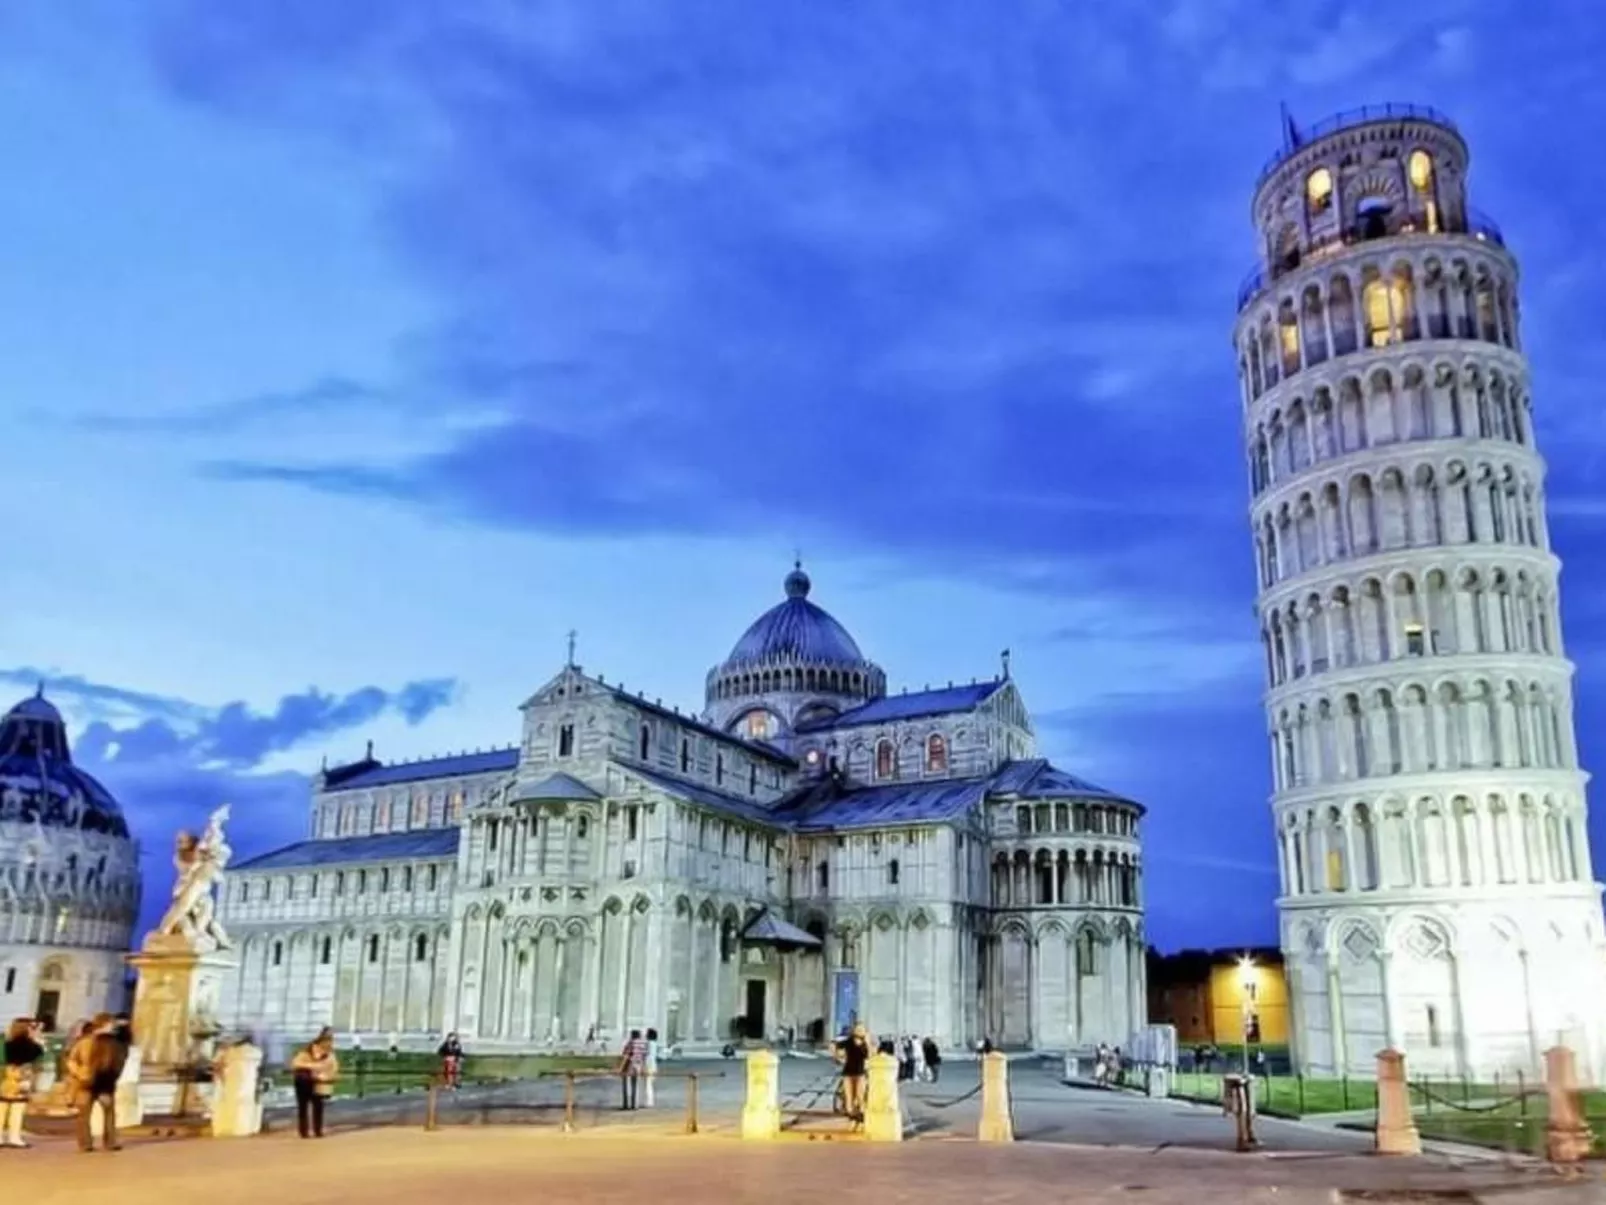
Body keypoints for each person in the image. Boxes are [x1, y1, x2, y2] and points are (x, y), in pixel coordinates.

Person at [65, 1013, 128, 1153]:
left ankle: (85, 1143)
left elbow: (71, 1060)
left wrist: (79, 1073)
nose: (113, 1027)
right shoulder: (114, 1043)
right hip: (103, 1082)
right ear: (106, 1024)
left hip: (87, 1081)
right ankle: (110, 1142)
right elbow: (118, 1063)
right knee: (107, 1113)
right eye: (111, 1024)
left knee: (85, 1114)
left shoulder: (84, 1041)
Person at [1, 1017, 45, 1148]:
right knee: (17, 1109)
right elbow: (39, 1060)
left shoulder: (5, 1044)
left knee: (1, 1107)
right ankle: (14, 1137)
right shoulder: (33, 1046)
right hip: (23, 1077)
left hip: (4, 1077)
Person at [290, 1028, 340, 1139]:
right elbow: (295, 1063)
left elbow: (334, 1067)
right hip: (303, 1081)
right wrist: (315, 1066)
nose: (325, 1048)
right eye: (324, 1045)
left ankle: (318, 1130)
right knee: (303, 1107)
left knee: (318, 1106)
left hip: (319, 1082)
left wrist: (330, 1075)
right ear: (318, 1044)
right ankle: (304, 1131)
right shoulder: (305, 1053)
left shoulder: (329, 1054)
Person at [833, 1022, 871, 1123]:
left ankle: (861, 1115)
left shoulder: (865, 1043)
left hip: (860, 1073)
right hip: (848, 1073)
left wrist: (867, 1042)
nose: (860, 1031)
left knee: (860, 1096)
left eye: (862, 1029)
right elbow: (834, 1045)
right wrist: (837, 1057)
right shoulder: (848, 1041)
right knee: (849, 1096)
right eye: (858, 1029)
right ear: (854, 1030)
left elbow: (870, 1055)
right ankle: (851, 1114)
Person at [616, 1029, 646, 1110]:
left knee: (627, 1085)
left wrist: (620, 1067)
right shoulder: (642, 1044)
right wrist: (643, 1067)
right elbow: (644, 1056)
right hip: (638, 1064)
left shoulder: (630, 1043)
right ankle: (635, 1104)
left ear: (632, 1035)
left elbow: (626, 1055)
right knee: (636, 1085)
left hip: (629, 1065)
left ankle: (627, 1104)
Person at [642, 1027, 660, 1108]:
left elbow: (646, 1054)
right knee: (650, 1083)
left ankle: (649, 1101)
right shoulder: (655, 1044)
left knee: (647, 1084)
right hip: (653, 1065)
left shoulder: (648, 1043)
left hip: (648, 1064)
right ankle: (650, 1100)